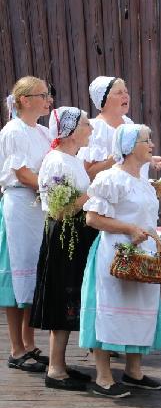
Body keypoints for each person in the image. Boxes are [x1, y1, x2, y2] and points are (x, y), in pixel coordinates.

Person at [80, 124, 161, 398]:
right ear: (130, 146)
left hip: (144, 257)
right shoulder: (110, 179)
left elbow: (147, 221)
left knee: (140, 309)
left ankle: (133, 371)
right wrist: (129, 229)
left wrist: (157, 242)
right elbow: (92, 218)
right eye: (146, 140)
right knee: (110, 312)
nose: (152, 144)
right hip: (116, 254)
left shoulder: (143, 182)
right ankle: (103, 377)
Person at [30, 107, 99, 390]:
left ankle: (59, 363)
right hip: (63, 237)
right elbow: (59, 211)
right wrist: (93, 193)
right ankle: (55, 370)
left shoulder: (72, 158)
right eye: (86, 124)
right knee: (64, 297)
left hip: (77, 234)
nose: (91, 129)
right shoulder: (56, 161)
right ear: (70, 131)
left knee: (72, 297)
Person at [1, 76, 53, 372]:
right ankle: (16, 348)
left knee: (34, 272)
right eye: (42, 95)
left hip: (39, 206)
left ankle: (29, 342)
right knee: (16, 274)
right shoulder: (13, 131)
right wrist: (55, 191)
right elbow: (22, 173)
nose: (48, 100)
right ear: (24, 100)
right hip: (20, 205)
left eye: (48, 94)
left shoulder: (44, 132)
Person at [78, 76, 161, 179]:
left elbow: (129, 159)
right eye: (119, 93)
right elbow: (89, 172)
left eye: (126, 92)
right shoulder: (94, 129)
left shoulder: (128, 123)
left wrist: (148, 160)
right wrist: (116, 156)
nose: (126, 96)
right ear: (104, 99)